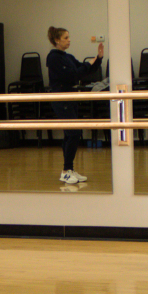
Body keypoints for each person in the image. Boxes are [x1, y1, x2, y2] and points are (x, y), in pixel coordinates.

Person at [45, 26, 104, 186]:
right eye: (65, 38)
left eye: (69, 37)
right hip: (61, 100)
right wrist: (87, 65)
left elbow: (84, 70)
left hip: (71, 98)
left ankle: (69, 169)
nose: (69, 40)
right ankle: (66, 171)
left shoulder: (68, 57)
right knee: (73, 133)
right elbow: (72, 76)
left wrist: (98, 59)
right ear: (57, 40)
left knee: (70, 134)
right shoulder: (53, 58)